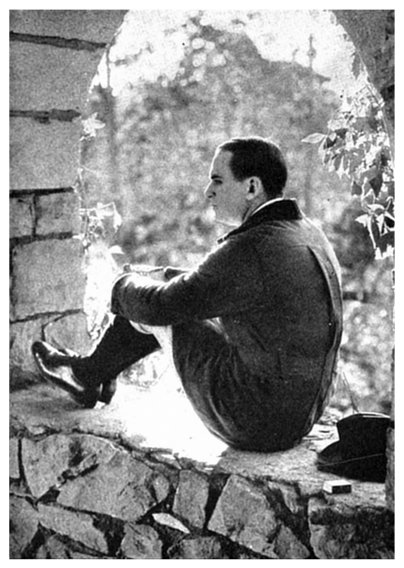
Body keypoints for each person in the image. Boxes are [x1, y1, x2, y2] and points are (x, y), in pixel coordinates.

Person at [32, 136, 343, 452]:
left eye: (218, 181)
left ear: (252, 187)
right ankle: (92, 374)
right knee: (165, 291)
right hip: (299, 418)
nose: (208, 192)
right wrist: (162, 277)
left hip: (251, 421)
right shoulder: (306, 233)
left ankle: (88, 375)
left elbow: (161, 306)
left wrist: (122, 285)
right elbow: (218, 285)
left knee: (159, 304)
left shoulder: (252, 246)